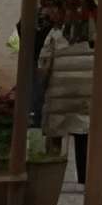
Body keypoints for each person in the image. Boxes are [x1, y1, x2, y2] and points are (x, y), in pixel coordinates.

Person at [39, 13, 96, 185]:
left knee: (55, 134)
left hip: (58, 93)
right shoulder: (94, 36)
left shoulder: (55, 35)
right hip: (85, 93)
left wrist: (42, 86)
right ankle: (83, 177)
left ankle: (51, 176)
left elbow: (44, 63)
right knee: (83, 134)